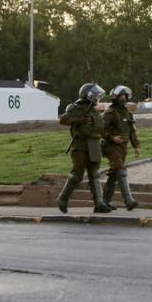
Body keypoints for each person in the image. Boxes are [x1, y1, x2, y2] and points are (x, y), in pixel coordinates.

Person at [56, 83, 113, 213]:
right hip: (80, 145)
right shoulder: (75, 107)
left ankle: (99, 204)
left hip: (95, 145)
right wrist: (80, 119)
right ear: (87, 95)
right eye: (94, 95)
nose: (97, 98)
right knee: (77, 175)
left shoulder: (95, 111)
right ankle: (62, 199)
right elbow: (63, 119)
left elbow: (100, 129)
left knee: (95, 174)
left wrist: (111, 138)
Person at [101, 85, 140, 211]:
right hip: (111, 147)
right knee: (121, 171)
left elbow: (132, 131)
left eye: (125, 96)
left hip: (123, 147)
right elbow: (101, 130)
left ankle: (105, 201)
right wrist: (112, 138)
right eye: (121, 96)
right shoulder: (109, 113)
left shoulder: (127, 113)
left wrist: (136, 146)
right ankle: (128, 200)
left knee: (114, 174)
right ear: (115, 98)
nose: (123, 99)